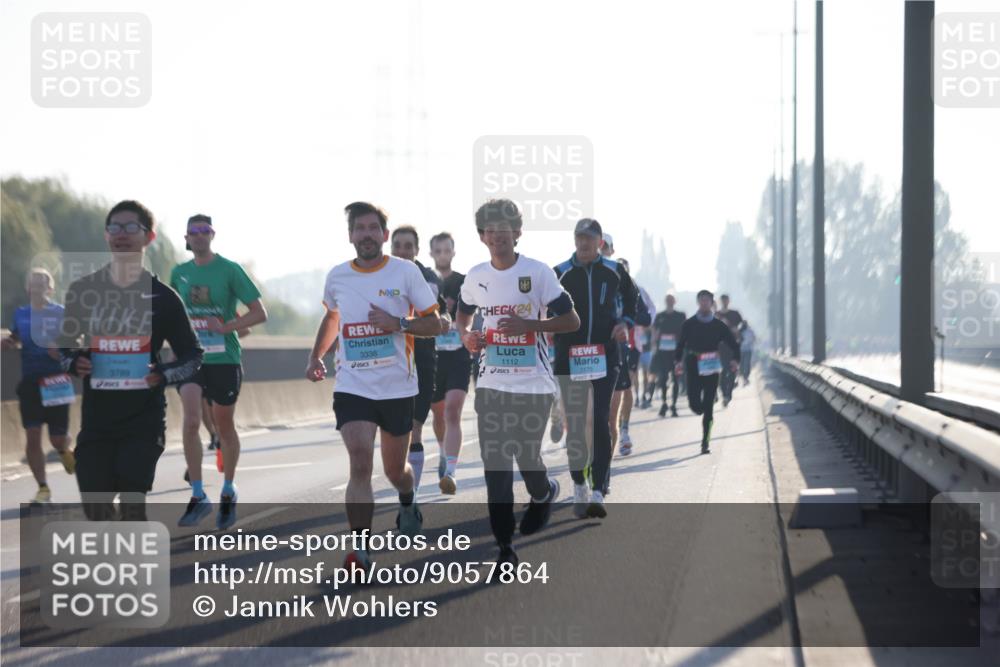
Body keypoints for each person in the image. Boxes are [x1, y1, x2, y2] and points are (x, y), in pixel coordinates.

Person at [307, 202, 441, 573]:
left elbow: (437, 324)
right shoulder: (337, 277)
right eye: (359, 228)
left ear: (384, 234)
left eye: (372, 228)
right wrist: (316, 356)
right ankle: (360, 552)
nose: (366, 234)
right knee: (360, 461)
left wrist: (398, 323)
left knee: (395, 470)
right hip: (353, 385)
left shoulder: (406, 272)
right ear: (350, 235)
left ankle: (407, 499)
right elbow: (333, 317)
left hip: (397, 388)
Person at [57, 200, 203, 521]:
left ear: (148, 237)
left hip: (143, 421)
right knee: (96, 508)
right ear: (107, 236)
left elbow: (193, 356)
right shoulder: (84, 290)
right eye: (114, 228)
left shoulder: (163, 297)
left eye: (130, 228)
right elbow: (62, 348)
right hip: (97, 422)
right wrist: (74, 362)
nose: (121, 234)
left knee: (132, 501)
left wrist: (163, 373)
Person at [457, 199, 577, 567]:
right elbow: (462, 313)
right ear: (482, 236)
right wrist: (467, 336)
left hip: (533, 383)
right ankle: (505, 547)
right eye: (490, 230)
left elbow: (570, 320)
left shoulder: (538, 273)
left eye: (504, 227)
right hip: (492, 383)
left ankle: (544, 493)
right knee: (495, 464)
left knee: (526, 456)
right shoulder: (475, 276)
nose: (498, 235)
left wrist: (531, 326)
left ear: (517, 232)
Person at [172, 214, 268, 529]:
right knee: (191, 420)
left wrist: (226, 326)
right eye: (193, 232)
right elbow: (170, 314)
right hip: (191, 359)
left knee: (224, 425)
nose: (199, 236)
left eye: (205, 231)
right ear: (186, 238)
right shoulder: (179, 273)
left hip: (224, 359)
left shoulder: (229, 270)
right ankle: (198, 494)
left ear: (212, 236)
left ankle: (228, 489)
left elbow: (259, 313)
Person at [553, 219, 641, 518]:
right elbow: (543, 304)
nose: (583, 243)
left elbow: (633, 300)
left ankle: (598, 490)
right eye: (579, 238)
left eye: (589, 238)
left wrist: (625, 323)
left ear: (600, 241)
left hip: (605, 354)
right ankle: (579, 481)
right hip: (570, 356)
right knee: (577, 423)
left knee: (601, 419)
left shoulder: (614, 271)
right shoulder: (560, 272)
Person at [2, 268, 76, 504]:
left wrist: (62, 350)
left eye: (43, 283)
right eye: (34, 283)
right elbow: (16, 338)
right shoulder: (21, 314)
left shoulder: (61, 313)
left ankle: (65, 451)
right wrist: (9, 342)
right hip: (31, 381)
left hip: (56, 380)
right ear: (28, 288)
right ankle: (43, 488)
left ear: (50, 288)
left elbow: (76, 343)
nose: (37, 287)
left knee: (57, 439)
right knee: (32, 435)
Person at [389, 225, 450, 495]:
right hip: (387, 362)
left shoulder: (427, 277)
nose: (402, 251)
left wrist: (443, 323)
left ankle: (409, 496)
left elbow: (442, 316)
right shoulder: (379, 274)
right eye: (397, 245)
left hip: (422, 359)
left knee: (414, 427)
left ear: (416, 249)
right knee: (395, 431)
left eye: (408, 246)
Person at [428, 231, 472, 494]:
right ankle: (444, 452)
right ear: (431, 254)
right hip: (432, 357)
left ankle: (451, 471)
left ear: (453, 253)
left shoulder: (464, 282)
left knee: (453, 410)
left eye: (447, 250)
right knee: (438, 412)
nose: (443, 255)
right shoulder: (425, 282)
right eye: (438, 251)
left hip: (458, 355)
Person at [673, 290, 740, 454]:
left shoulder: (718, 325)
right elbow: (680, 344)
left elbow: (733, 344)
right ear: (698, 302)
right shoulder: (689, 324)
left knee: (708, 407)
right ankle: (703, 405)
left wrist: (735, 360)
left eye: (707, 300)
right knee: (695, 405)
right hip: (693, 363)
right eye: (701, 300)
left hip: (711, 365)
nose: (704, 303)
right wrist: (677, 362)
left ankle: (705, 441)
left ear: (711, 303)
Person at [614, 257, 653, 455]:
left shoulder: (636, 291)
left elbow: (647, 317)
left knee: (626, 387)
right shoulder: (604, 286)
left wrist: (627, 318)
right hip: (608, 345)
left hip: (631, 345)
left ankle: (624, 431)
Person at [648, 294, 687, 417]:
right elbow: (654, 332)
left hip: (676, 354)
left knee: (676, 379)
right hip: (662, 353)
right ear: (665, 302)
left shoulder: (680, 316)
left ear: (675, 301)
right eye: (668, 300)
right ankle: (664, 403)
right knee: (663, 378)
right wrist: (654, 343)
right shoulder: (660, 316)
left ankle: (674, 405)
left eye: (671, 300)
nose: (670, 302)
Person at [716, 294, 744, 407]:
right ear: (721, 301)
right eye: (723, 300)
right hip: (721, 346)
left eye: (726, 300)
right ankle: (724, 394)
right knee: (724, 370)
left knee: (732, 370)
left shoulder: (735, 314)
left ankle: (729, 393)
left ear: (729, 301)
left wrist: (737, 329)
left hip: (733, 345)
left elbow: (743, 325)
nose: (725, 302)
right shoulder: (717, 315)